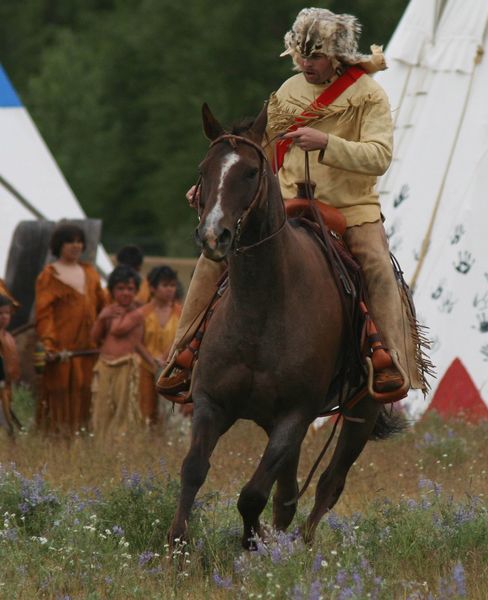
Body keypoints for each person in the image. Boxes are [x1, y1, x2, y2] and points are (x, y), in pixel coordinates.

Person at [158, 8, 430, 399]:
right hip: (286, 202)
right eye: (301, 55)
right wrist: (211, 189)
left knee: (378, 266)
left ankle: (390, 362)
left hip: (350, 208)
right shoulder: (287, 93)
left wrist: (328, 145)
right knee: (211, 258)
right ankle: (182, 355)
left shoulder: (369, 95)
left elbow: (380, 156)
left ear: (337, 55)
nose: (306, 64)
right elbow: (253, 154)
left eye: (315, 56)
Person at [35, 223, 106, 434]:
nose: (75, 246)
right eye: (70, 241)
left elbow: (104, 306)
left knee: (85, 391)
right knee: (59, 392)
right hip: (61, 350)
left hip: (88, 349)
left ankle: (82, 438)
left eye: (79, 241)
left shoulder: (90, 272)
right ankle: (56, 441)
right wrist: (49, 344)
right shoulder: (49, 276)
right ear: (59, 245)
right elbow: (44, 315)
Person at [90, 265, 155, 439]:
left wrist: (152, 362)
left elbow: (137, 342)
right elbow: (95, 338)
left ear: (135, 291)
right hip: (104, 364)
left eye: (130, 289)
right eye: (120, 288)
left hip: (127, 365)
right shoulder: (109, 311)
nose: (125, 293)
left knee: (123, 409)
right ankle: (101, 442)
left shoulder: (138, 312)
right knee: (101, 407)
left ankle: (121, 445)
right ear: (112, 290)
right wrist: (102, 317)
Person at [139, 266, 182, 425]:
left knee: (171, 413)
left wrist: (165, 358)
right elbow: (137, 341)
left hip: (172, 369)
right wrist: (151, 359)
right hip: (146, 366)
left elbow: (182, 339)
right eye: (165, 285)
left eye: (172, 285)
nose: (170, 290)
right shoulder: (143, 313)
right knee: (145, 411)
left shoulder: (181, 312)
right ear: (152, 288)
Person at [0, 295, 21, 435]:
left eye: (7, 313)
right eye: (0, 313)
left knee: (7, 427)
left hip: (6, 388)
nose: (4, 317)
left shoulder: (8, 337)